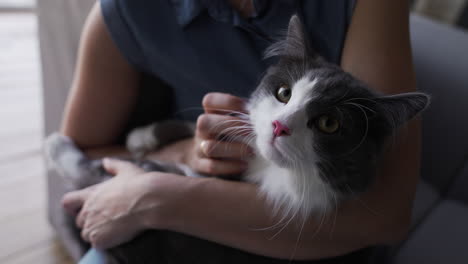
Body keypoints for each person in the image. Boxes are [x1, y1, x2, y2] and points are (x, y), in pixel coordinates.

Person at [60, 0, 421, 263]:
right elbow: (77, 149)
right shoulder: (126, 12)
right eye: (282, 96)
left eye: (325, 123)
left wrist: (159, 198)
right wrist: (180, 152)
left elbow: (384, 217)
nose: (281, 124)